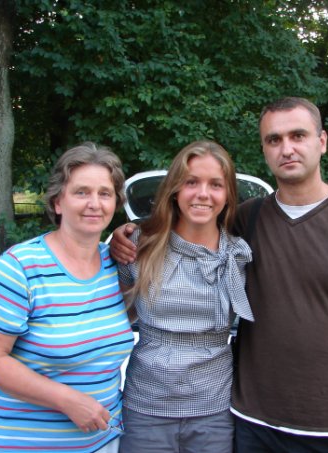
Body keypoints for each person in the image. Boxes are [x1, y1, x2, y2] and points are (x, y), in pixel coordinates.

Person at [111, 97, 328, 453]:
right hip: (249, 420)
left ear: (322, 141)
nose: (287, 149)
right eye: (274, 139)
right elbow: (187, 226)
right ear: (264, 149)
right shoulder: (247, 220)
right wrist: (128, 233)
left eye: (298, 135)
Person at [0, 142, 134, 453]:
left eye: (105, 193)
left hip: (102, 441)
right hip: (21, 442)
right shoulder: (20, 266)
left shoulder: (115, 265)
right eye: (82, 192)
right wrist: (67, 400)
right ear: (58, 202)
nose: (94, 203)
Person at [117, 140, 254, 453]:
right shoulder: (139, 245)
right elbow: (115, 317)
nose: (203, 194)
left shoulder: (239, 254)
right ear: (175, 189)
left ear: (228, 194)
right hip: (146, 407)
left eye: (215, 185)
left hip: (214, 410)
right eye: (191, 182)